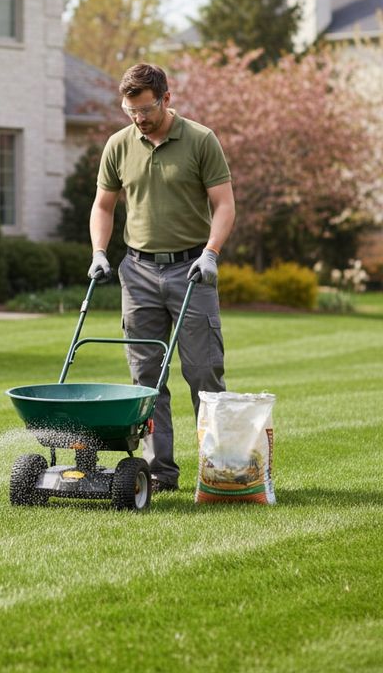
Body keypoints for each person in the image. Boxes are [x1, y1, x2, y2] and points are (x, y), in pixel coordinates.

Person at [88, 63, 235, 493]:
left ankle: (221, 471)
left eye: (146, 109)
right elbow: (103, 206)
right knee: (145, 380)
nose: (139, 118)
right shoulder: (118, 145)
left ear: (166, 99)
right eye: (130, 110)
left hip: (192, 271)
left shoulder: (200, 140)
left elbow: (224, 205)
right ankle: (158, 473)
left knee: (204, 373)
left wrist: (211, 254)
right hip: (137, 272)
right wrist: (100, 252)